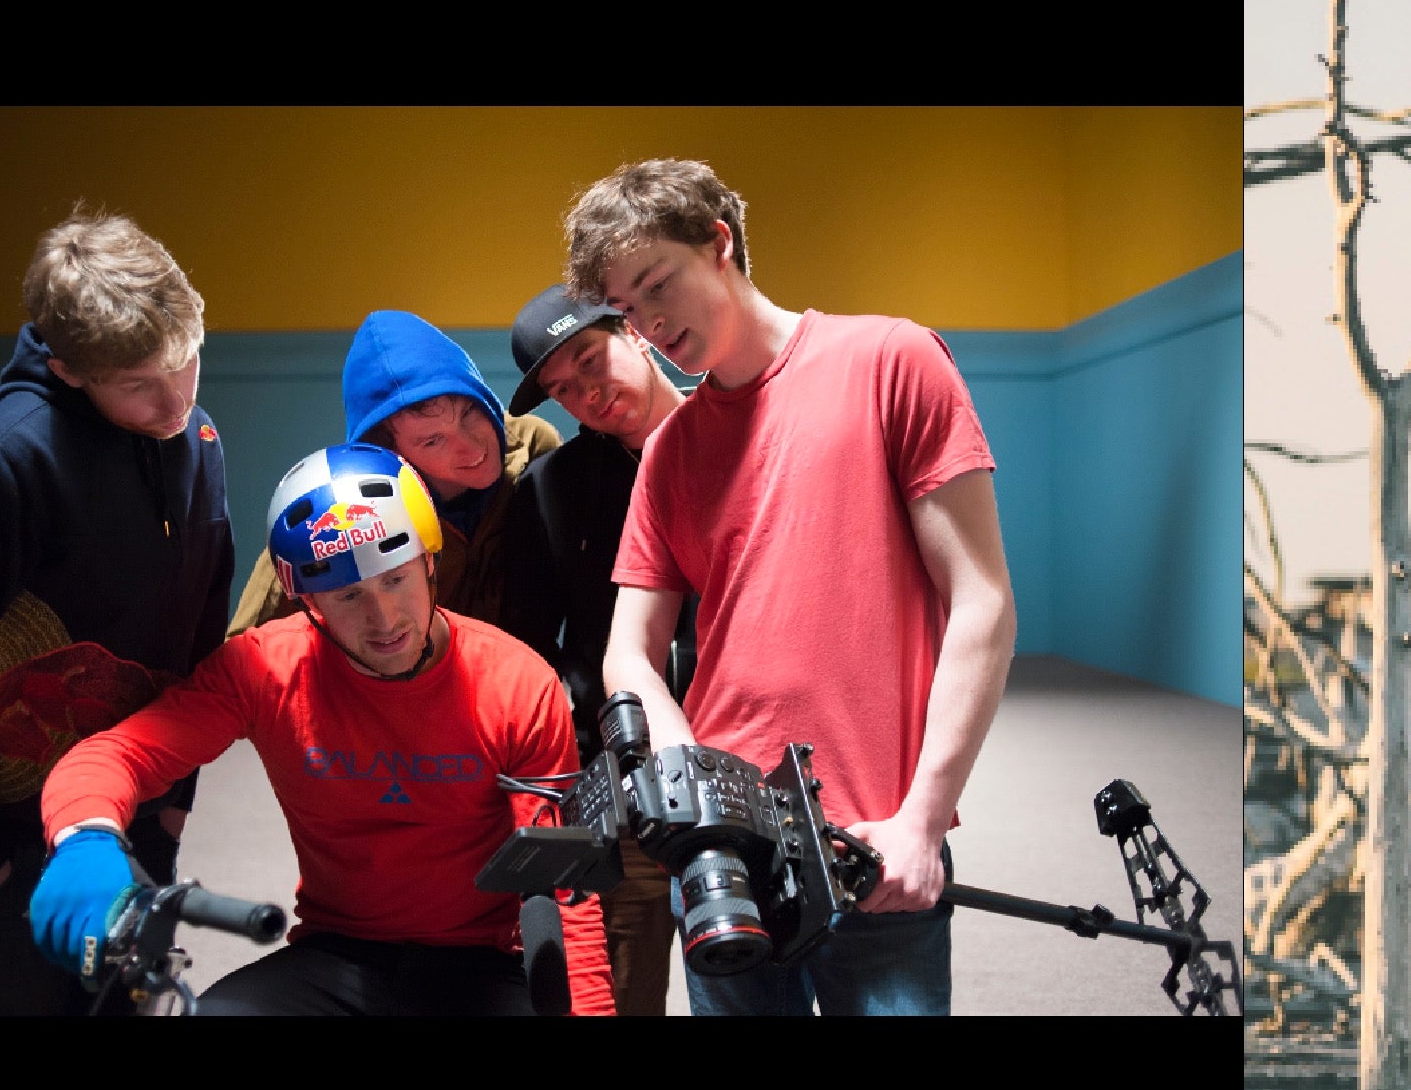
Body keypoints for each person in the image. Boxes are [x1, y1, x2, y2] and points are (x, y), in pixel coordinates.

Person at [566, 159, 1017, 1017]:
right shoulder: (669, 453)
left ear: (719, 243)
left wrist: (925, 818)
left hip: (873, 841)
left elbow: (982, 602)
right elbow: (629, 652)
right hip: (723, 854)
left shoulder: (891, 360)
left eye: (658, 283)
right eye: (628, 308)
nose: (650, 323)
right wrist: (686, 783)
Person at [28, 444, 614, 1015]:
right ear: (307, 601)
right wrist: (85, 836)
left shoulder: (517, 682)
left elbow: (563, 888)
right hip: (340, 952)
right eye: (349, 595)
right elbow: (119, 754)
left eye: (395, 579)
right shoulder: (264, 668)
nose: (384, 620)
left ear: (430, 562)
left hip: (483, 965)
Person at [0, 211, 232, 1016]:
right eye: (137, 384)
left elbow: (200, 631)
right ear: (66, 369)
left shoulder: (197, 437)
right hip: (4, 842)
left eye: (187, 360)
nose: (175, 398)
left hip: (137, 814)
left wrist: (174, 805)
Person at [495, 283, 693, 1016]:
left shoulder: (741, 441)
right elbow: (529, 646)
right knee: (622, 992)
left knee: (755, 977)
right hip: (628, 779)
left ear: (633, 333)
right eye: (562, 389)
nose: (587, 394)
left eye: (589, 360)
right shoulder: (551, 488)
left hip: (755, 759)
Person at [226, 311, 562, 637]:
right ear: (391, 451)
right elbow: (247, 652)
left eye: (470, 413)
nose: (471, 448)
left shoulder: (533, 447)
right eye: (432, 441)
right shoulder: (334, 513)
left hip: (518, 668)